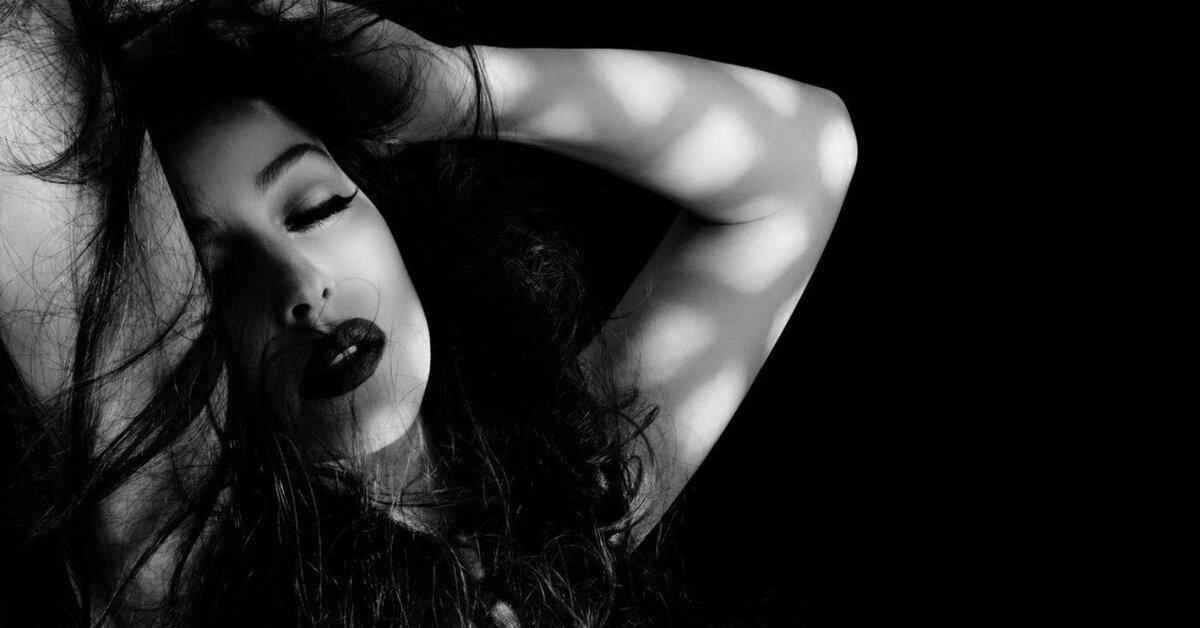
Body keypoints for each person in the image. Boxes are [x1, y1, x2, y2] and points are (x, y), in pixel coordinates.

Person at [1, 0, 857, 624]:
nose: (300, 285)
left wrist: (459, 88)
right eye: (215, 278)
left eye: (317, 207)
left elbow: (805, 162)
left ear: (400, 226)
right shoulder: (188, 568)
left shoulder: (558, 525)